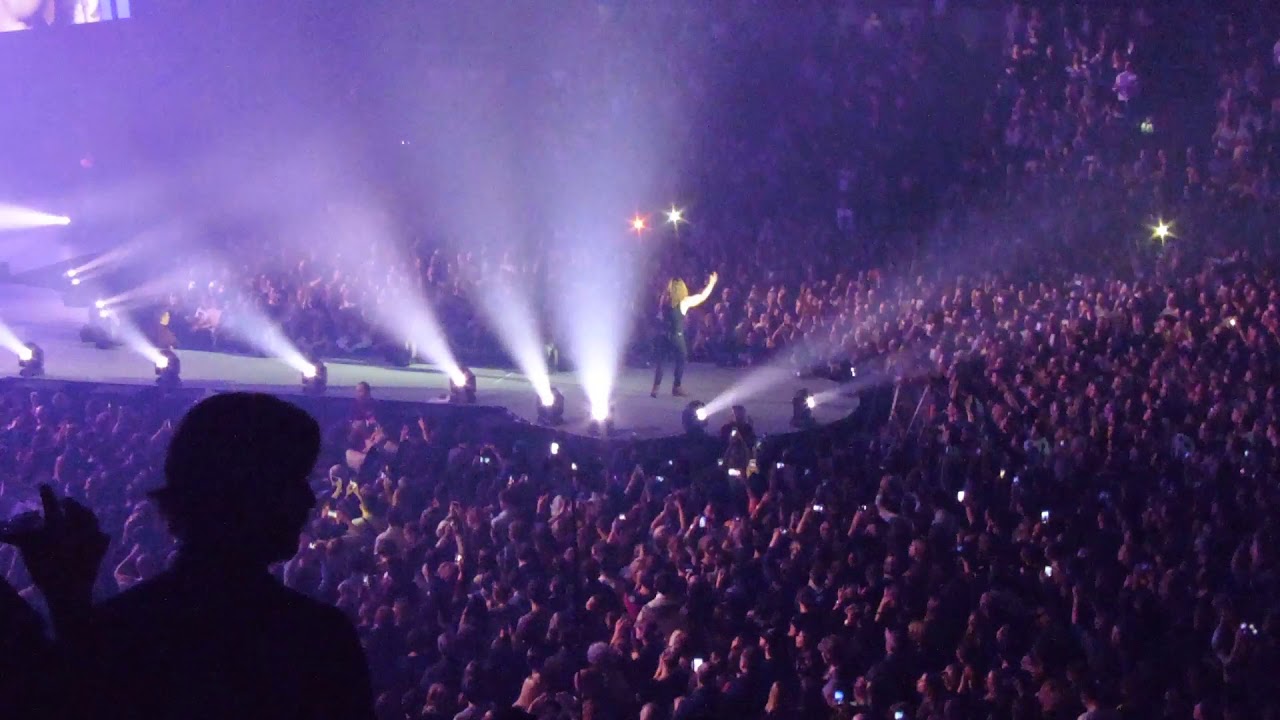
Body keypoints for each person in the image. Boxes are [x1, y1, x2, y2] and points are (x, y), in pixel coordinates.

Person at [81, 393, 376, 720]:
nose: (308, 499)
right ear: (240, 489)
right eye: (293, 481)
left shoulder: (118, 629)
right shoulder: (316, 640)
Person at [652, 272, 717, 398]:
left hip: (664, 335)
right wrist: (712, 284)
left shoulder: (664, 301)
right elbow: (702, 296)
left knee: (661, 361)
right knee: (681, 358)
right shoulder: (684, 302)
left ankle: (655, 388)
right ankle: (677, 387)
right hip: (677, 336)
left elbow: (659, 317)